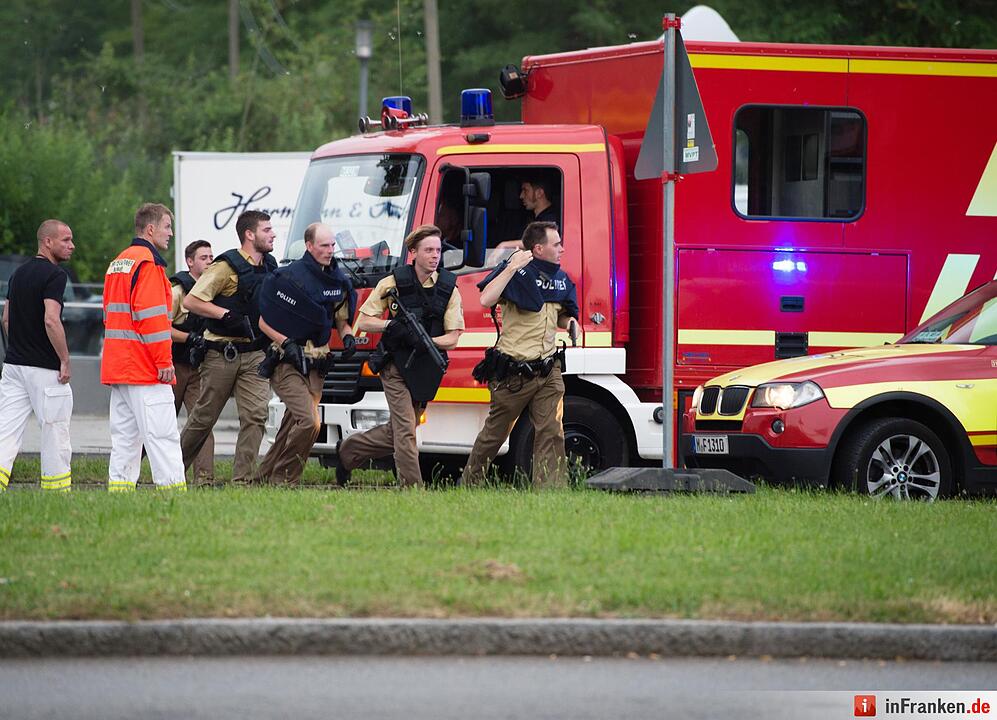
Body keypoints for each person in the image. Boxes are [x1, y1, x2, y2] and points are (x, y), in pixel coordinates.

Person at [336, 224, 464, 488]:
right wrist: (391, 326)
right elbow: (364, 321)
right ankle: (412, 489)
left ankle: (349, 450)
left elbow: (453, 338)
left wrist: (426, 342)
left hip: (425, 367)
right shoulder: (393, 282)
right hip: (394, 366)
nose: (435, 256)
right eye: (428, 250)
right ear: (413, 253)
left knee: (401, 429)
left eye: (438, 250)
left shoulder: (449, 287)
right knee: (406, 430)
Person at [461, 221, 579, 488]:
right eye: (556, 243)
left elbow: (561, 314)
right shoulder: (516, 276)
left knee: (551, 432)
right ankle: (470, 483)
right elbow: (486, 299)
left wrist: (570, 322)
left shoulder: (559, 279)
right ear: (538, 248)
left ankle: (550, 492)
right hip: (514, 373)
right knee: (495, 435)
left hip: (548, 370)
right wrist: (512, 266)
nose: (562, 248)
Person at [179, 210, 277, 485]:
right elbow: (192, 302)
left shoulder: (270, 266)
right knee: (203, 419)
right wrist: (224, 315)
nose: (273, 234)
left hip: (255, 353)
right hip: (221, 353)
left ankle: (241, 482)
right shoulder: (226, 266)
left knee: (256, 417)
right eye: (267, 230)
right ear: (250, 234)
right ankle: (172, 474)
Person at [255, 223, 356, 486]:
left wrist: (348, 338)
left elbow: (341, 320)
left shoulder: (338, 281)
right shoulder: (288, 278)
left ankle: (262, 477)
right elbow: (263, 322)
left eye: (333, 245)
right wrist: (285, 342)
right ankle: (284, 479)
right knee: (310, 422)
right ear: (309, 246)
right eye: (324, 245)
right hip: (286, 361)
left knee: (292, 424)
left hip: (317, 364)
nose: (330, 250)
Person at [101, 203, 186, 492]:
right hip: (145, 368)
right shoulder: (148, 265)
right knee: (162, 436)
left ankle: (120, 493)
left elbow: (109, 315)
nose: (170, 233)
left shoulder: (119, 262)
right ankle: (173, 494)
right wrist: (164, 362)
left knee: (125, 439)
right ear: (151, 229)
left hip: (119, 366)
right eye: (167, 227)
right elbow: (151, 321)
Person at [0, 219, 75, 492]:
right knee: (54, 430)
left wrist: (20, 345)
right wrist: (64, 359)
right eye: (65, 240)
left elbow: (6, 318)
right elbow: (52, 320)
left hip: (13, 366)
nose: (72, 245)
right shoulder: (55, 275)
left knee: (5, 431)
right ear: (47, 242)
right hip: (45, 370)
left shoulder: (18, 274)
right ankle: (56, 490)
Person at [169, 239, 214, 485]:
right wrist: (189, 337)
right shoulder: (177, 290)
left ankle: (205, 479)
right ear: (189, 262)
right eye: (203, 258)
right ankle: (129, 471)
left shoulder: (213, 289)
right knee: (161, 425)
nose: (209, 262)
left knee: (202, 421)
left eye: (211, 257)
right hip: (173, 367)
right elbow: (162, 329)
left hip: (198, 368)